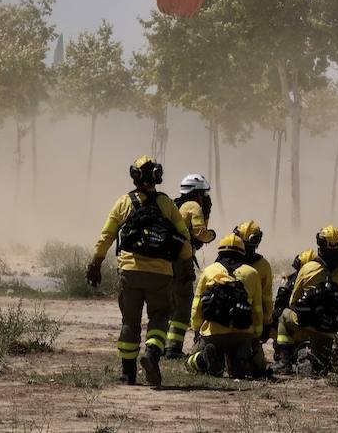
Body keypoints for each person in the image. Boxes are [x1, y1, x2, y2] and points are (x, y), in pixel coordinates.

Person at [87, 155, 190, 387]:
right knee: (161, 315)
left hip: (129, 271)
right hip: (161, 273)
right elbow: (184, 239)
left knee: (129, 321)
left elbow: (106, 236)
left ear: (134, 176)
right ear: (157, 176)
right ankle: (152, 352)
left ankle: (127, 373)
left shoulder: (123, 203)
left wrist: (96, 263)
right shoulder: (167, 204)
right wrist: (186, 266)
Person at [273, 225, 338, 376]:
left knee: (284, 316)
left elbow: (293, 301)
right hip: (329, 331)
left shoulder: (307, 269)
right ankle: (318, 358)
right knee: (322, 368)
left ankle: (284, 362)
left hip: (304, 323)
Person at [186, 233, 263, 378]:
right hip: (242, 333)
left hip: (213, 334)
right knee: (244, 361)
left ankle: (204, 359)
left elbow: (197, 305)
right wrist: (255, 335)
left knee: (190, 361)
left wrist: (197, 328)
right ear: (242, 251)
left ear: (220, 251)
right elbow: (257, 309)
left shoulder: (209, 271)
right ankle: (240, 358)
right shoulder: (252, 273)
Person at [165, 172, 216, 359]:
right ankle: (173, 348)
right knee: (184, 303)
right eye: (205, 194)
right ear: (198, 193)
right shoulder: (193, 206)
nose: (207, 198)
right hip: (181, 261)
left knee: (169, 304)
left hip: (165, 261)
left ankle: (162, 345)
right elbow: (200, 233)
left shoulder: (174, 205)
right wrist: (212, 234)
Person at [233, 220, 273, 373]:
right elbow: (267, 299)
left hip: (219, 321)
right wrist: (266, 324)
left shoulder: (223, 262)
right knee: (258, 368)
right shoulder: (263, 266)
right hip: (249, 327)